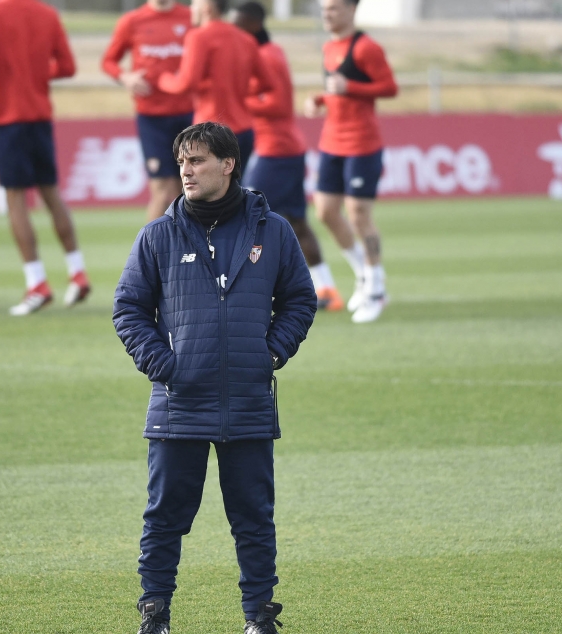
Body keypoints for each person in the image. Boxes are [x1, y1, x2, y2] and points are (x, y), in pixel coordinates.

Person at [113, 122, 316, 634]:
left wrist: (271, 354)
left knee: (253, 518)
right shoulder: (157, 234)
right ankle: (155, 614)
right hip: (178, 402)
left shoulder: (273, 231)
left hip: (248, 399)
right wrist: (163, 366)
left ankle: (259, 618)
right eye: (182, 161)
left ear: (228, 165)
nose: (186, 170)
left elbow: (299, 299)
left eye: (198, 160)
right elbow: (128, 309)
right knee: (164, 517)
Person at [0, 0, 91, 316]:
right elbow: (67, 67)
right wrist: (36, 70)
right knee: (51, 194)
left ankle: (36, 283)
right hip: (39, 115)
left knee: (16, 199)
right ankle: (77, 271)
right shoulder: (46, 13)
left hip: (9, 117)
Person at [233, 1, 342, 312]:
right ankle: (326, 289)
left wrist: (238, 100)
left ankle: (261, 294)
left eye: (238, 27)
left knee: (247, 215)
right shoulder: (271, 51)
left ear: (252, 25)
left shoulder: (265, 56)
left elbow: (279, 104)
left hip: (276, 150)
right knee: (295, 222)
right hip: (284, 149)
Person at [304, 0, 397, 323]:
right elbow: (336, 91)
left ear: (350, 9)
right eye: (323, 9)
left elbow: (389, 87)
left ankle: (376, 288)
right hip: (332, 141)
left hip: (362, 143)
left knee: (358, 214)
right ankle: (362, 273)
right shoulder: (329, 47)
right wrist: (320, 99)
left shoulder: (366, 47)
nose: (326, 14)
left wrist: (350, 87)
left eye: (332, 8)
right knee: (326, 211)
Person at [101, 0, 193, 222]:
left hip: (190, 116)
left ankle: (192, 250)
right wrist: (125, 77)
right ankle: (148, 253)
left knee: (190, 190)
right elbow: (108, 61)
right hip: (152, 118)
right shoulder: (132, 21)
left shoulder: (191, 18)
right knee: (162, 189)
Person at [156, 0, 273, 171]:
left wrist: (163, 79)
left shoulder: (198, 36)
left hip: (210, 131)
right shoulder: (246, 39)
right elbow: (266, 83)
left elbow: (187, 84)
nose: (191, 9)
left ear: (206, 8)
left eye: (194, 4)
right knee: (235, 193)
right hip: (243, 130)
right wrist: (236, 89)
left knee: (207, 195)